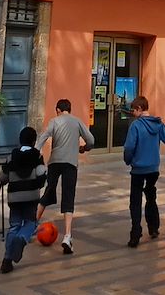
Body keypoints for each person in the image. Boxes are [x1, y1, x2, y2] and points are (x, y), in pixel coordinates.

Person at [36, 98, 95, 255]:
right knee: (68, 197)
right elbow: (91, 140)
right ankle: (67, 236)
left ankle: (32, 224)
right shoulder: (77, 122)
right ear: (70, 109)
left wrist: (37, 151)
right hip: (70, 163)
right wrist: (84, 148)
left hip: (55, 162)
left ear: (57, 109)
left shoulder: (54, 121)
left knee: (48, 191)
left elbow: (43, 137)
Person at [123, 96, 165, 248]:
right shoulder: (158, 124)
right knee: (151, 196)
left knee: (135, 201)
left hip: (138, 169)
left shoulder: (135, 126)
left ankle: (135, 233)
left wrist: (128, 160)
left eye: (133, 110)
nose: (132, 113)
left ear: (140, 109)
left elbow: (129, 147)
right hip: (153, 168)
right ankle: (153, 227)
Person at [0, 127, 47, 274]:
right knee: (31, 223)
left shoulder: (11, 156)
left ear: (20, 140)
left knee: (14, 226)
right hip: (31, 197)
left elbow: (3, 177)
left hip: (14, 198)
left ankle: (7, 261)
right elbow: (41, 176)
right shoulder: (37, 156)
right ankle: (22, 238)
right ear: (34, 141)